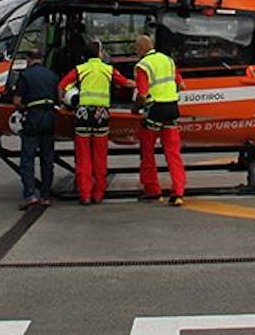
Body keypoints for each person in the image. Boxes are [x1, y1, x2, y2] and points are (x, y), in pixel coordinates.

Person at [57, 40, 134, 205]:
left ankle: (84, 194)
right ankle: (98, 193)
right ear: (99, 53)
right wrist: (143, 85)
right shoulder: (108, 70)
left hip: (83, 114)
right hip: (101, 115)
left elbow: (62, 85)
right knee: (100, 156)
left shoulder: (80, 69)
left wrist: (64, 103)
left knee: (83, 156)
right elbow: (126, 83)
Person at [133, 34, 187, 206]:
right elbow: (181, 85)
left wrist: (135, 108)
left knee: (147, 151)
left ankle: (153, 191)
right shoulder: (168, 61)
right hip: (172, 109)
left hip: (154, 111)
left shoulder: (142, 66)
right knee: (173, 153)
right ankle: (178, 192)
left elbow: (142, 94)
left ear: (141, 49)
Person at [11, 48, 60, 210]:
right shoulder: (52, 75)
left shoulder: (25, 76)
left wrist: (24, 107)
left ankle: (30, 195)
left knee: (28, 158)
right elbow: (59, 97)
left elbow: (17, 100)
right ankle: (46, 196)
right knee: (47, 158)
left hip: (33, 117)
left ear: (28, 59)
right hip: (50, 117)